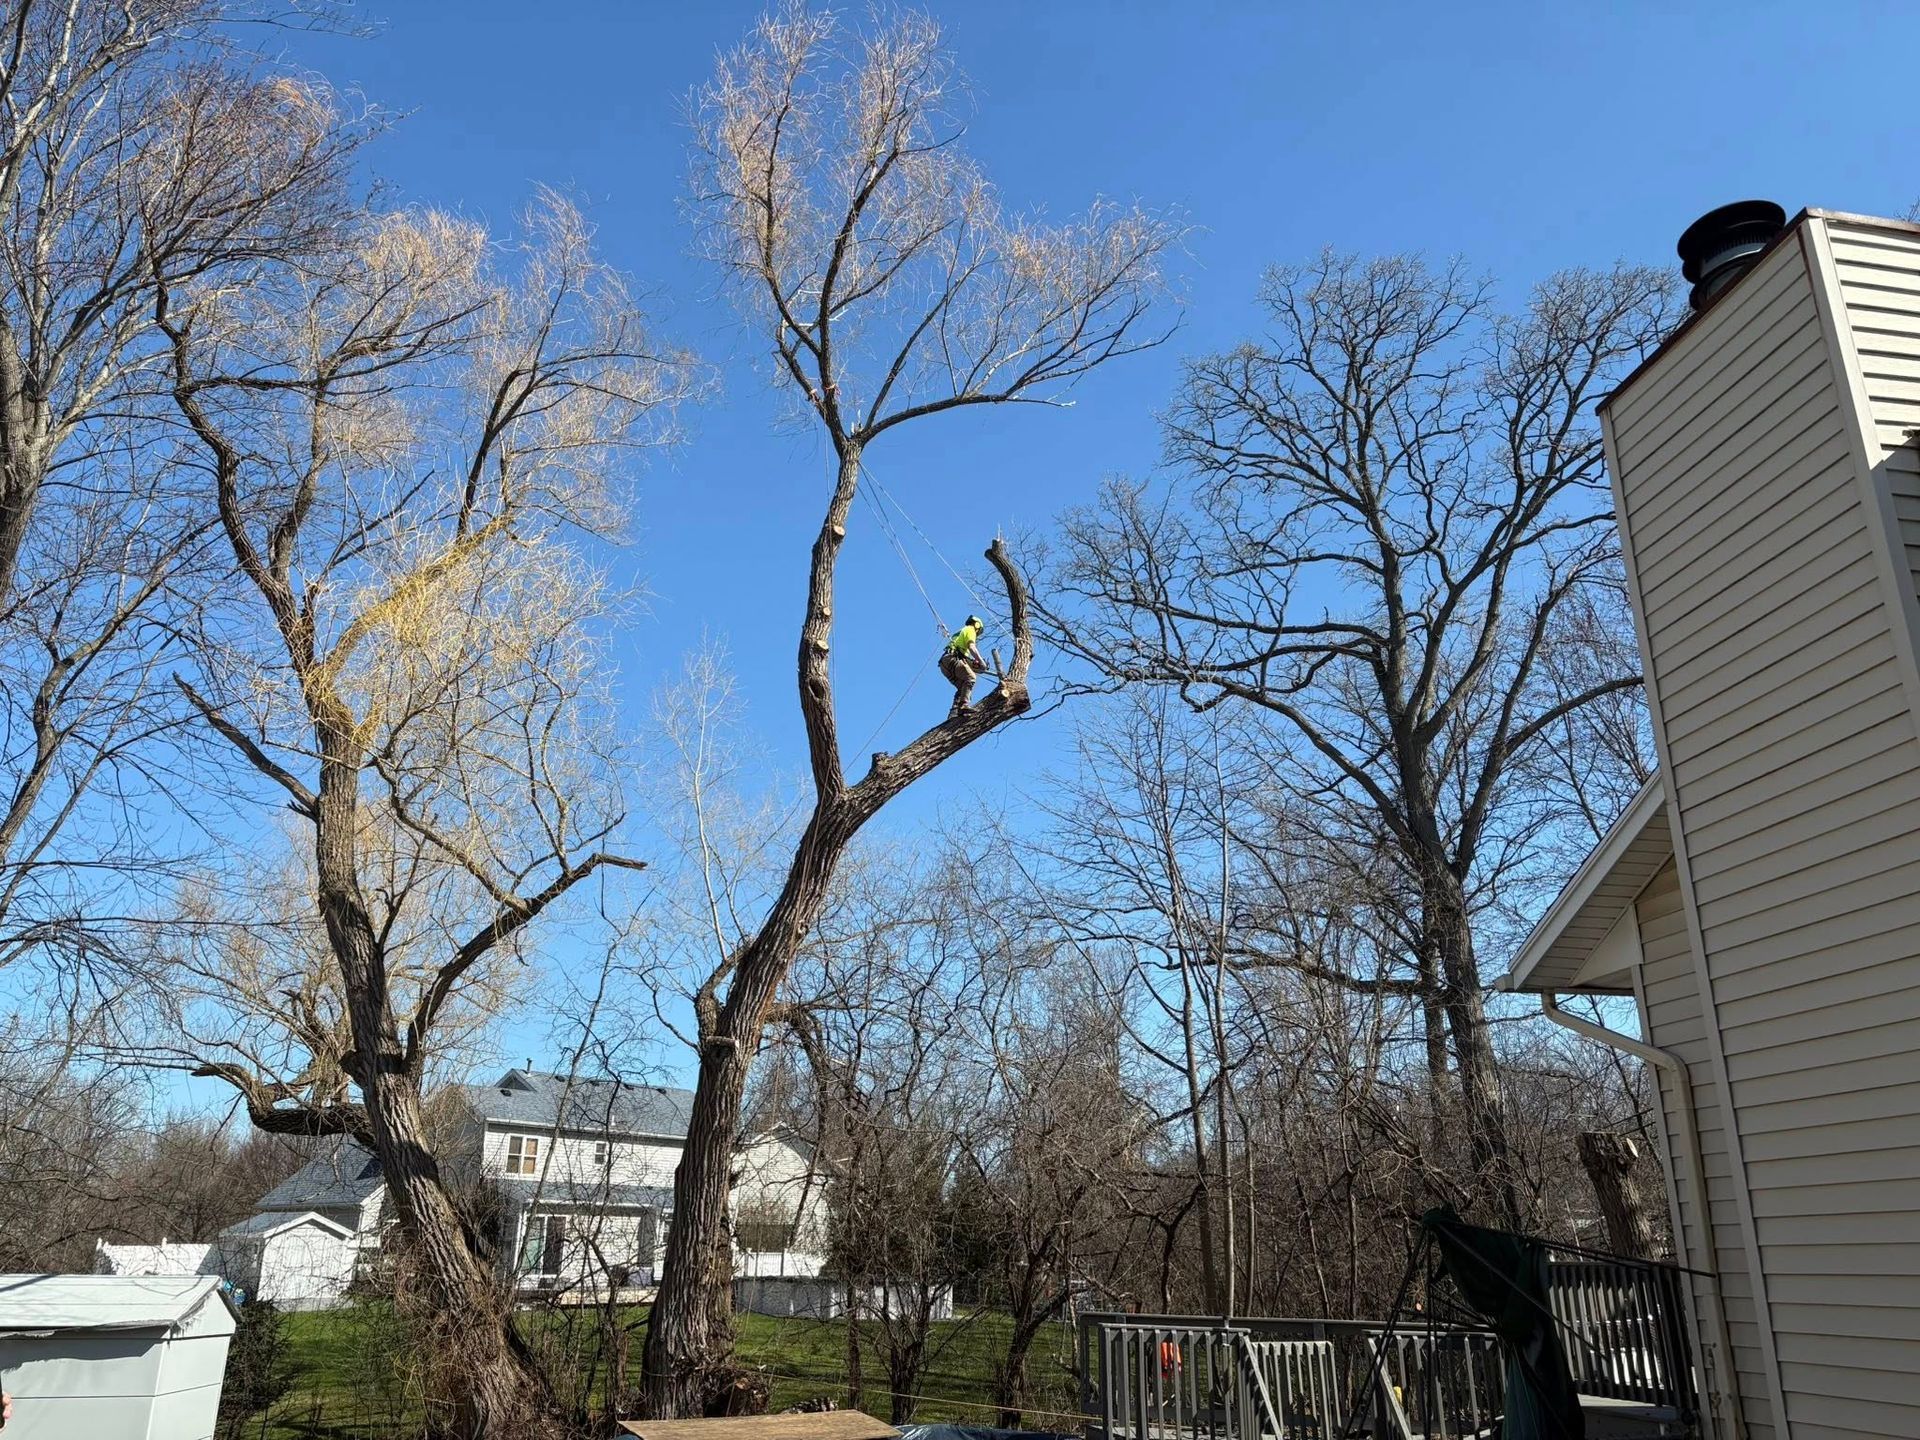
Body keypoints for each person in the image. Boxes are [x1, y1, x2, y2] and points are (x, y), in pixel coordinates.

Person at [939, 614, 986, 717]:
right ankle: (964, 706)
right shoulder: (970, 629)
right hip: (952, 659)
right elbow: (972, 648)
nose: (977, 634)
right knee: (971, 678)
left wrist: (974, 664)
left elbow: (963, 658)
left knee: (963, 688)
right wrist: (981, 661)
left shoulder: (961, 633)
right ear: (977, 625)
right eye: (978, 631)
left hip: (945, 664)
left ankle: (954, 712)